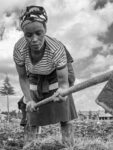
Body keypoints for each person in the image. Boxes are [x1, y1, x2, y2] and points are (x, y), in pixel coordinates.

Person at [13, 5, 77, 147]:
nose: (34, 39)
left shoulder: (56, 48)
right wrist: (29, 100)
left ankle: (69, 146)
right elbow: (23, 77)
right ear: (24, 34)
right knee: (31, 112)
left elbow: (64, 82)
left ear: (45, 30)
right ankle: (29, 146)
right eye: (28, 35)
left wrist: (63, 91)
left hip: (56, 74)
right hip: (35, 74)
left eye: (38, 33)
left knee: (64, 109)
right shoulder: (19, 49)